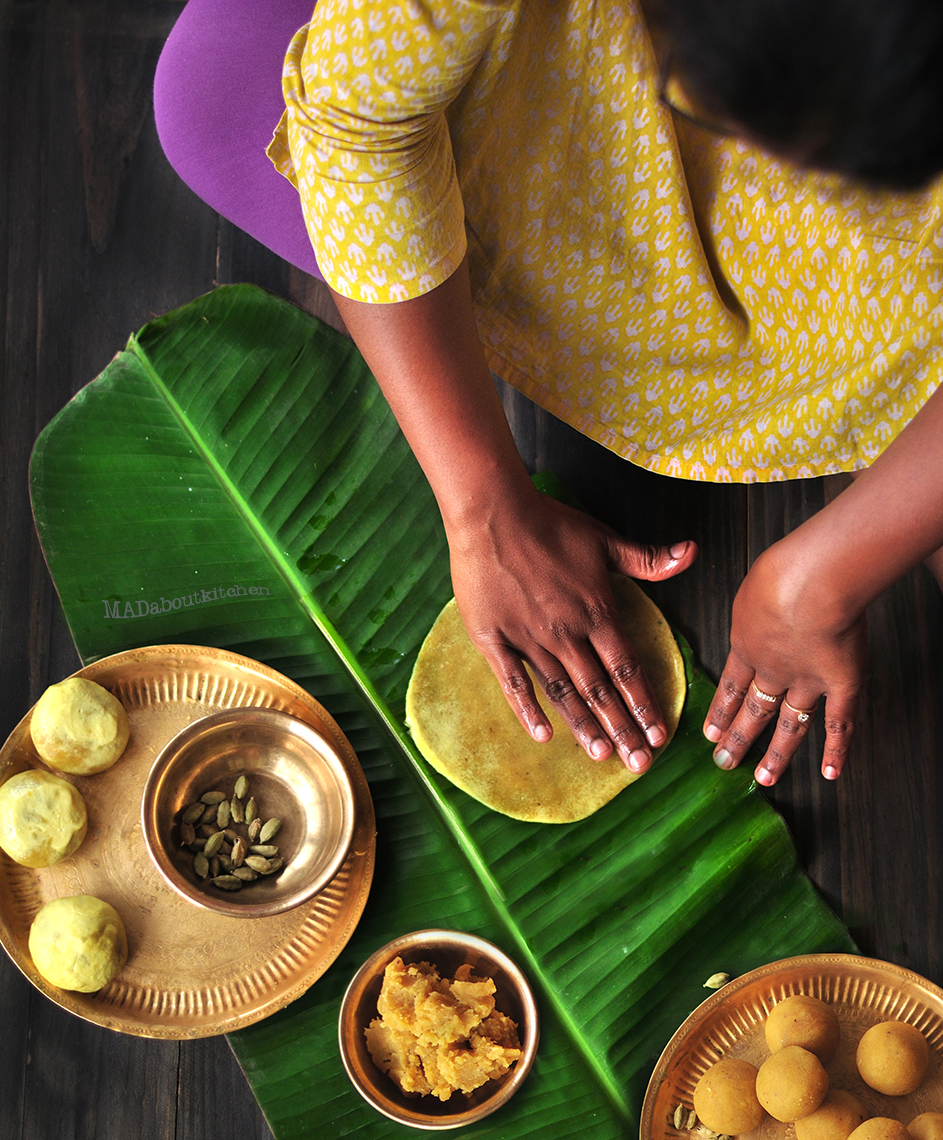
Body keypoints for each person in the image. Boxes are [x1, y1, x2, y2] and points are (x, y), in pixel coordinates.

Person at [154, 0, 943, 789]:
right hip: (565, 106)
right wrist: (481, 504)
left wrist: (821, 576)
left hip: (890, 276)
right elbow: (355, 124)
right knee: (217, 92)